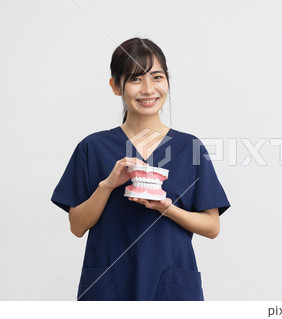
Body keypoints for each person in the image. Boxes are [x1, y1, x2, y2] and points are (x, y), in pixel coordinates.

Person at [51, 37, 231, 301]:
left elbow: (211, 226)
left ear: (168, 81)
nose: (149, 89)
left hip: (170, 285)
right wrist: (108, 185)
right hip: (110, 285)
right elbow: (77, 226)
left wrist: (166, 208)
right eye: (135, 79)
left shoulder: (189, 147)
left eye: (157, 77)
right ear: (116, 86)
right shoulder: (93, 147)